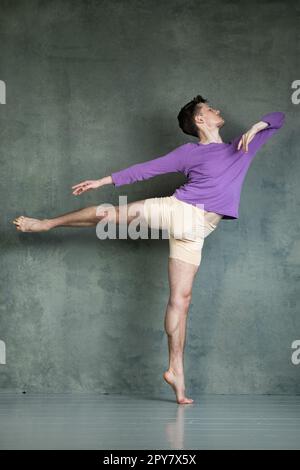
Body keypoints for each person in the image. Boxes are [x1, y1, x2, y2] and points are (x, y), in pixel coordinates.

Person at [12, 95, 285, 404]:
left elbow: (279, 117)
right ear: (200, 120)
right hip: (179, 210)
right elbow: (148, 169)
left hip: (199, 231)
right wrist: (102, 180)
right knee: (110, 215)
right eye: (210, 109)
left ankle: (175, 372)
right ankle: (46, 224)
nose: (217, 110)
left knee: (182, 300)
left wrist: (257, 126)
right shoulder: (190, 152)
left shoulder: (240, 148)